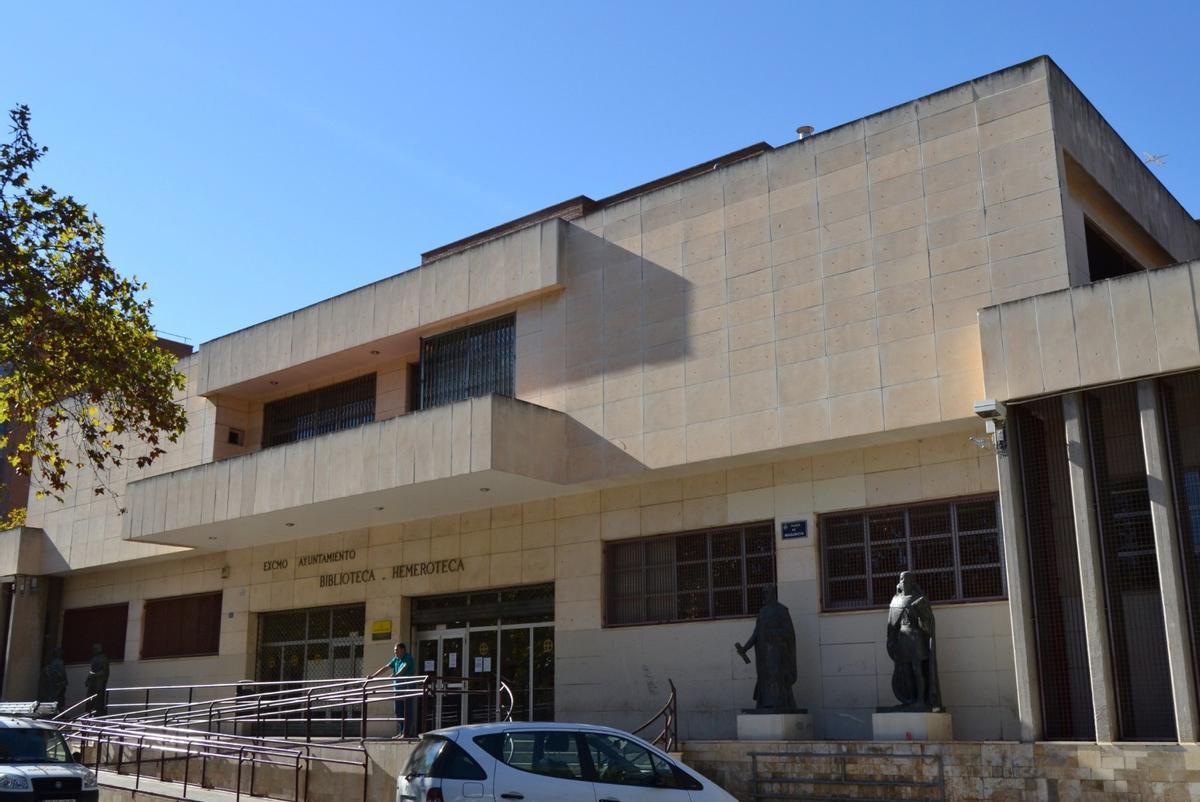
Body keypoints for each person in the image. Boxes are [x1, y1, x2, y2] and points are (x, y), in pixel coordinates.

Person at [885, 571, 943, 712]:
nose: (903, 582)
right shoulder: (896, 600)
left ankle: (921, 700)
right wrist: (891, 642)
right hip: (902, 639)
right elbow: (891, 625)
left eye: (905, 579)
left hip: (916, 639)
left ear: (911, 582)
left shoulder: (919, 599)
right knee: (905, 670)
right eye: (901, 579)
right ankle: (909, 698)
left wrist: (922, 617)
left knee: (918, 669)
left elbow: (928, 623)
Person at [735, 584, 798, 710]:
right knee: (764, 679)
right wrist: (745, 648)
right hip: (763, 654)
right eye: (763, 593)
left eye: (767, 592)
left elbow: (789, 632)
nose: (765, 596)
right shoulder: (762, 612)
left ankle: (779, 704)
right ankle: (764, 704)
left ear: (773, 593)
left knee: (776, 677)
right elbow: (756, 633)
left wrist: (773, 633)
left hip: (777, 653)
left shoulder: (782, 610)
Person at [370, 642, 415, 737]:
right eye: (395, 651)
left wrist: (396, 675)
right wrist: (373, 676)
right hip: (398, 690)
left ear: (403, 650)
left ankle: (406, 733)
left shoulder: (408, 658)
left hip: (407, 690)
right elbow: (386, 667)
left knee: (407, 711)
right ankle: (402, 732)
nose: (395, 652)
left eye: (396, 650)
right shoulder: (396, 659)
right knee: (398, 711)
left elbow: (404, 668)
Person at [84, 644, 110, 716]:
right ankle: (89, 712)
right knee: (90, 698)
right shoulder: (94, 658)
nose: (94, 650)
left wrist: (95, 675)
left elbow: (105, 672)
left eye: (95, 648)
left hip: (99, 682)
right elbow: (91, 670)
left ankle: (97, 712)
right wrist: (88, 678)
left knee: (98, 699)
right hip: (92, 681)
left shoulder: (104, 658)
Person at [42, 648, 67, 713]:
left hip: (56, 684)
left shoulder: (55, 662)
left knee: (57, 698)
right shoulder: (58, 662)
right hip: (57, 684)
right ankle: (55, 712)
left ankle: (55, 711)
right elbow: (61, 674)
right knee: (57, 699)